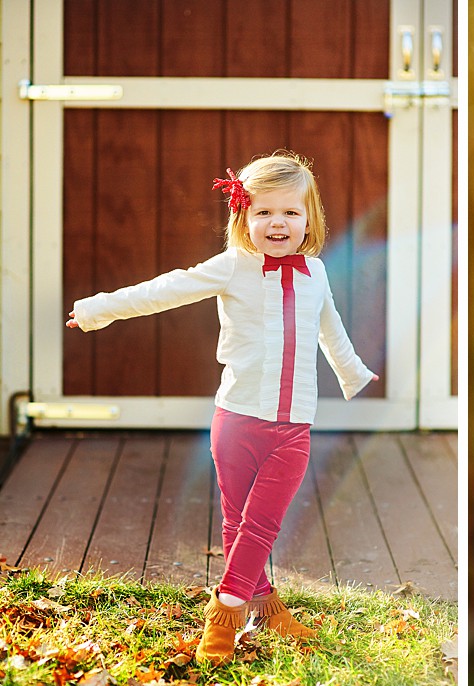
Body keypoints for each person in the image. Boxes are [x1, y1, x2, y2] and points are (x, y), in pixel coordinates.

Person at [67, 150, 378, 665]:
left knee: (261, 525)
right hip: (235, 420)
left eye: (290, 213)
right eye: (263, 212)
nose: (277, 223)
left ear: (309, 219)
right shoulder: (232, 267)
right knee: (239, 524)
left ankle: (224, 614)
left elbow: (331, 331)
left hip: (294, 426)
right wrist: (98, 309)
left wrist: (353, 374)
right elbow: (164, 290)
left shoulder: (315, 274)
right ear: (243, 216)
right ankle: (265, 606)